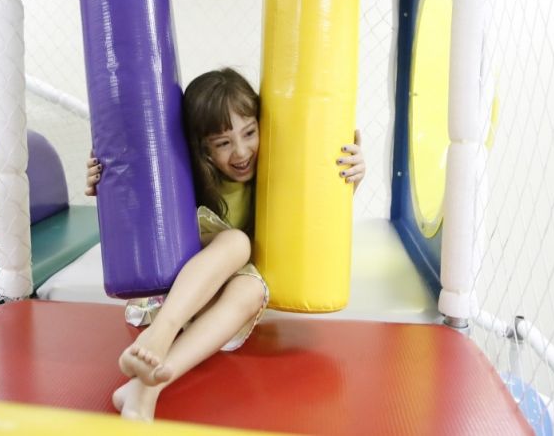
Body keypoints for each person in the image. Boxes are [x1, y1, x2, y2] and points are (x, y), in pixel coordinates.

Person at [85, 67, 365, 420]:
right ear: (202, 148)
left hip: (216, 310)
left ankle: (146, 388)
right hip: (175, 295)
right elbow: (139, 205)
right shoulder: (186, 176)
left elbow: (315, 218)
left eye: (249, 133)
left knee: (252, 290)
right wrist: (107, 183)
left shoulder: (275, 173)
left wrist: (347, 179)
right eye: (223, 143)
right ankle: (161, 333)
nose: (241, 151)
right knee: (236, 242)